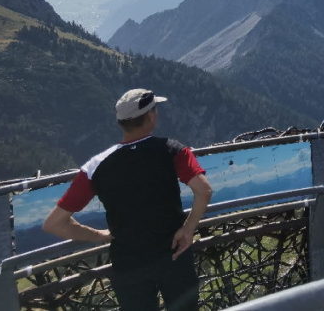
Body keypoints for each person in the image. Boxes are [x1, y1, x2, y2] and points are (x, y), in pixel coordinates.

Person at [43, 89, 214, 311]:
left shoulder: (95, 167)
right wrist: (188, 230)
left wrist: (99, 236)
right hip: (173, 255)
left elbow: (54, 224)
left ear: (121, 122)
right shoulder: (172, 150)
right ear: (151, 116)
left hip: (128, 264)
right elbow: (204, 191)